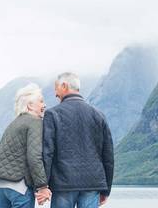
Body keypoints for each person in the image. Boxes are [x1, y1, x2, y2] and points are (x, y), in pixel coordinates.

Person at [42, 72, 114, 208]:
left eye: (56, 88)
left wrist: (43, 185)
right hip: (92, 183)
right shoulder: (99, 115)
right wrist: (106, 190)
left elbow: (47, 152)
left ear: (64, 86)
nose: (55, 93)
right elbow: (108, 156)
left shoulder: (52, 114)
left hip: (63, 184)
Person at [0, 83, 53, 207]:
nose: (44, 105)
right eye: (41, 101)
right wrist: (42, 186)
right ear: (30, 105)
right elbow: (34, 156)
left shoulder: (14, 123)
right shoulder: (34, 122)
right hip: (19, 186)